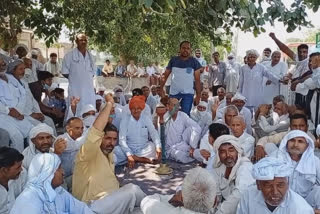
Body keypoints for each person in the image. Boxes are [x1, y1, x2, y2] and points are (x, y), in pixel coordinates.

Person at [72, 95, 146, 213]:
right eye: (107, 138)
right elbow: (95, 131)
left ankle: (156, 205)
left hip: (110, 203)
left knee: (141, 209)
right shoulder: (87, 153)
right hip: (91, 207)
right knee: (132, 190)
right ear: (100, 138)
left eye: (114, 139)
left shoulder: (110, 155)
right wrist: (109, 104)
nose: (111, 143)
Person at [10, 153, 94, 214]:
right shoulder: (28, 200)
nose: (63, 172)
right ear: (47, 173)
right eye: (59, 169)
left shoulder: (58, 191)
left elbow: (82, 209)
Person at [237, 157, 314, 214]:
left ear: (288, 184)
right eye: (268, 185)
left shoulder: (301, 209)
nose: (275, 192)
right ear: (258, 185)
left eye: (280, 185)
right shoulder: (248, 196)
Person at [270, 130, 320, 211]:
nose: (295, 144)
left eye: (300, 141)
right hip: (281, 202)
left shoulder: (314, 161)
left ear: (307, 146)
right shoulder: (275, 157)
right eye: (292, 140)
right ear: (286, 143)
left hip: (306, 200)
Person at [141, 167, 217, 214]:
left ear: (181, 198)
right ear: (215, 201)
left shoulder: (166, 211)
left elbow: (147, 200)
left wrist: (172, 197)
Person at [210, 135, 255, 213]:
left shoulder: (245, 166)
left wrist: (220, 212)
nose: (228, 155)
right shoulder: (219, 168)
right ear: (218, 155)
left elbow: (239, 194)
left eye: (231, 150)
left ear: (237, 151)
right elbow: (215, 193)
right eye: (223, 152)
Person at [115, 95, 161, 167]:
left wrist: (158, 146)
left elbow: (153, 132)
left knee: (153, 147)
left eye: (138, 108)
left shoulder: (145, 118)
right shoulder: (125, 120)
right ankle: (142, 159)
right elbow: (122, 140)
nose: (136, 111)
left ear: (142, 109)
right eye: (133, 108)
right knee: (116, 151)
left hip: (144, 148)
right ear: (130, 109)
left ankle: (135, 158)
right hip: (129, 148)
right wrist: (128, 154)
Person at [0, 60, 35, 152]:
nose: (1, 65)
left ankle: (32, 159)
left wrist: (18, 112)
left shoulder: (9, 78)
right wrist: (8, 111)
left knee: (32, 131)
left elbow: (22, 95)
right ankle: (16, 163)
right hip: (2, 115)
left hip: (16, 113)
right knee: (17, 137)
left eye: (3, 63)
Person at [159, 41, 202, 115]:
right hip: (174, 94)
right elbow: (165, 76)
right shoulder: (173, 60)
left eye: (188, 48)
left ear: (190, 50)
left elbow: (197, 81)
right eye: (183, 48)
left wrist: (198, 96)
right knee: (172, 115)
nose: (185, 50)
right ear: (180, 49)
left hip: (188, 94)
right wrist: (161, 89)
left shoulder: (194, 62)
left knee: (185, 116)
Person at [62, 33, 96, 117]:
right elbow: (64, 72)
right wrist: (76, 79)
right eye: (81, 40)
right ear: (76, 41)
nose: (83, 42)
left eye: (85, 40)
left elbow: (93, 72)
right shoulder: (69, 56)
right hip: (76, 89)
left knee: (89, 109)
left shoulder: (91, 56)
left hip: (89, 89)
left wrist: (85, 78)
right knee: (75, 109)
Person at [163, 98, 201, 163]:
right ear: (167, 106)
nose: (176, 108)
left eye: (177, 105)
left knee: (192, 128)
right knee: (180, 156)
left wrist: (192, 146)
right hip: (170, 148)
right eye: (174, 105)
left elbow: (197, 127)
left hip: (182, 144)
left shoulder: (182, 115)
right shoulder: (164, 117)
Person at [293, 52, 320, 125]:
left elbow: (313, 84)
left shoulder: (317, 73)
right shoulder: (314, 73)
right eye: (309, 61)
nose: (310, 63)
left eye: (312, 60)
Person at [0, 147, 27, 214]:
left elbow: (25, 199)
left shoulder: (22, 174)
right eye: (18, 167)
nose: (21, 170)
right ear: (4, 170)